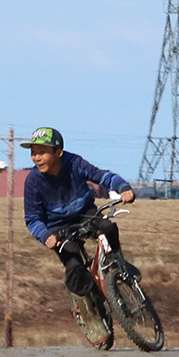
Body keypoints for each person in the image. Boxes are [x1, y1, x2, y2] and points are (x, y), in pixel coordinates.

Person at [20, 127, 135, 303]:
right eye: (33, 153)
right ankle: (97, 306)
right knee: (75, 273)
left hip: (85, 213)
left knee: (108, 228)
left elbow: (103, 176)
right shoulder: (33, 182)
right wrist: (45, 236)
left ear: (58, 152)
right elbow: (32, 219)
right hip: (57, 227)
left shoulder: (75, 163)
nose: (36, 157)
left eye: (42, 152)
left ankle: (119, 265)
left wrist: (123, 188)